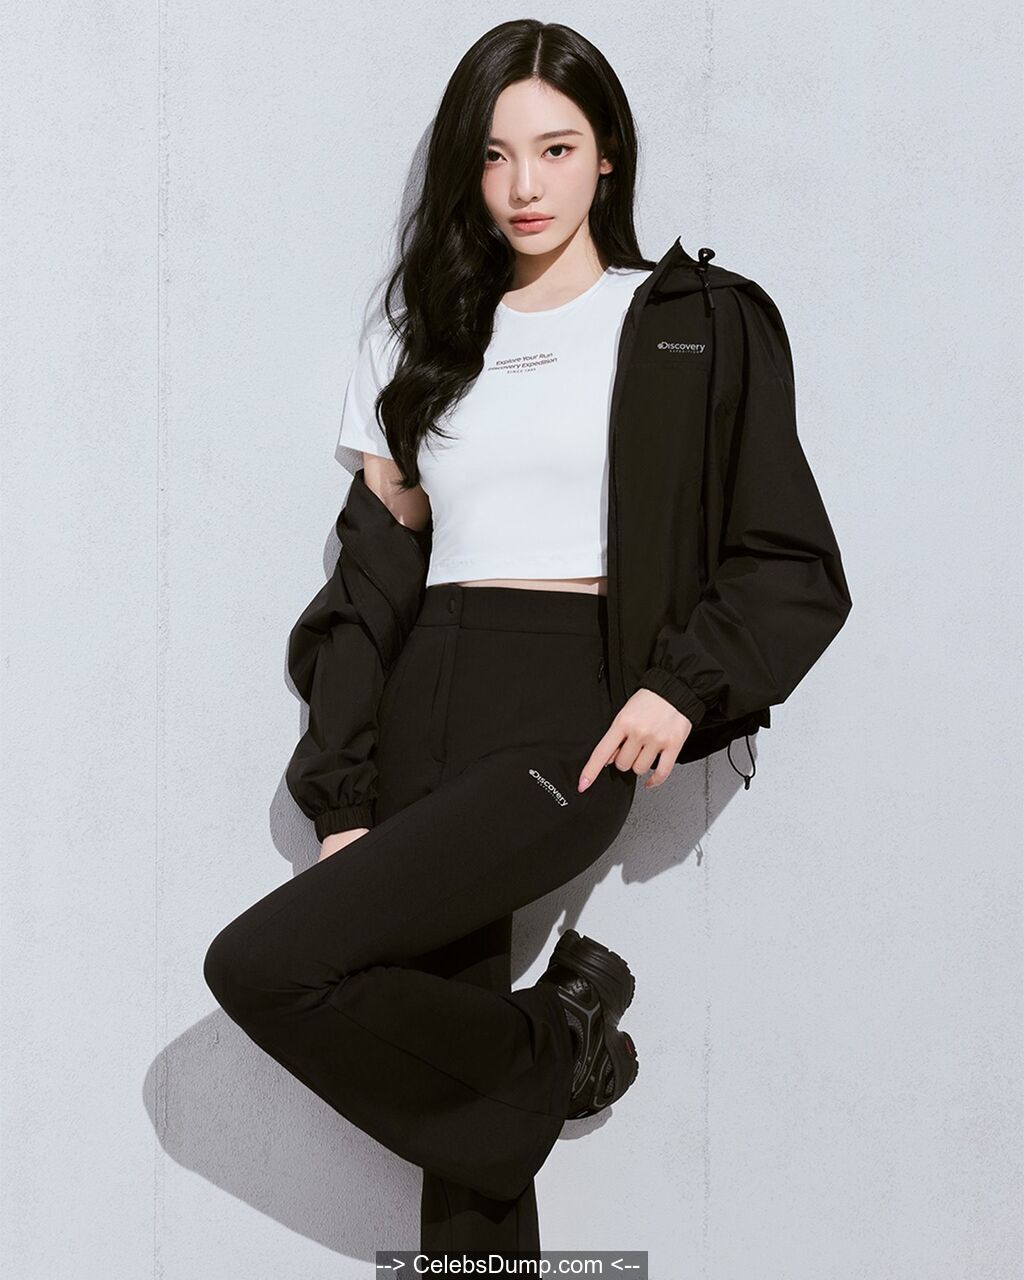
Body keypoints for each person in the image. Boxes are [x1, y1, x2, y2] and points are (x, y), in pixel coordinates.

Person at [203, 17, 852, 1258]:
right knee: (459, 1118)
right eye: (495, 156)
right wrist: (341, 791)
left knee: (261, 963)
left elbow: (788, 556)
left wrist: (680, 688)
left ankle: (555, 1036)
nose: (523, 186)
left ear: (607, 154)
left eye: (555, 149)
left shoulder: (689, 319)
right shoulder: (419, 333)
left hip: (573, 708)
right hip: (424, 698)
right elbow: (370, 584)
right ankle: (556, 1038)